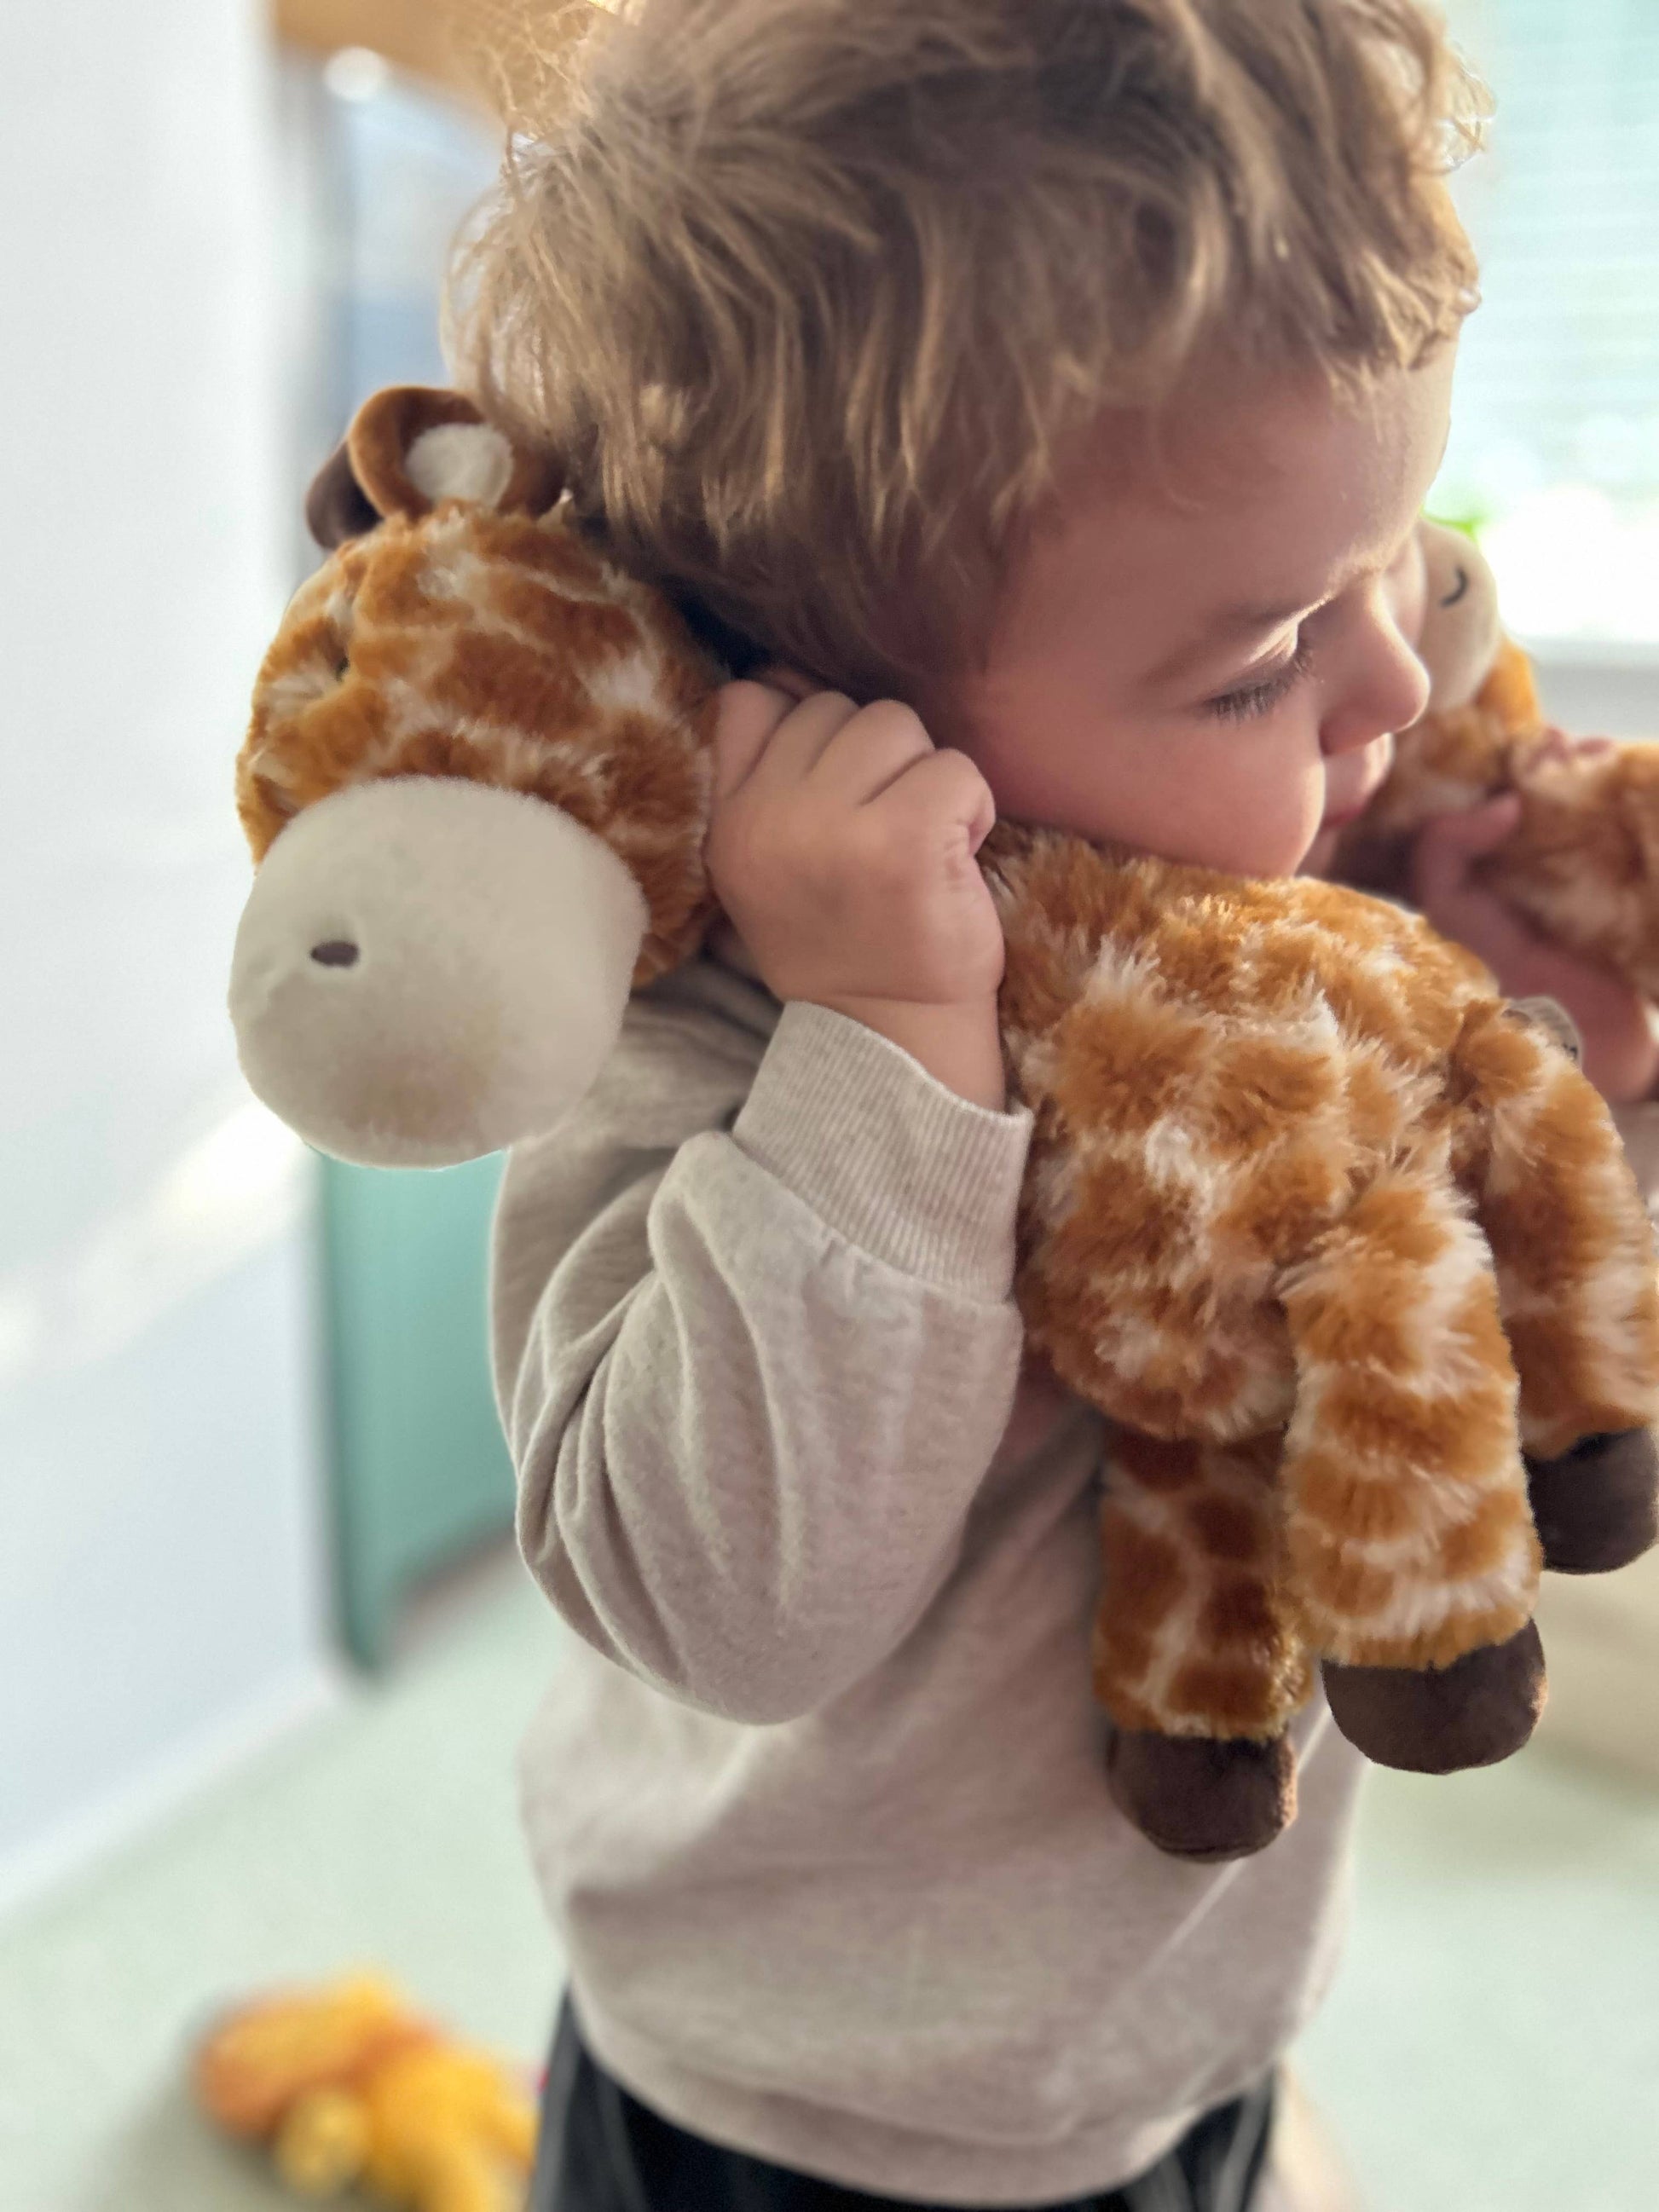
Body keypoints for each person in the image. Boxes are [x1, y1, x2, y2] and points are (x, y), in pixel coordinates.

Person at [450, 3, 1659, 2206]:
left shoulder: (1301, 917)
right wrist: (893, 1037)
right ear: (829, 712)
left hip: (1178, 2016)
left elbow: (1467, 1333)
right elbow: (724, 1601)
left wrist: (1569, 1057)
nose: (1394, 683)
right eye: (1257, 658)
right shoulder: (704, 1043)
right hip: (794, 2110)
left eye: (1399, 559)